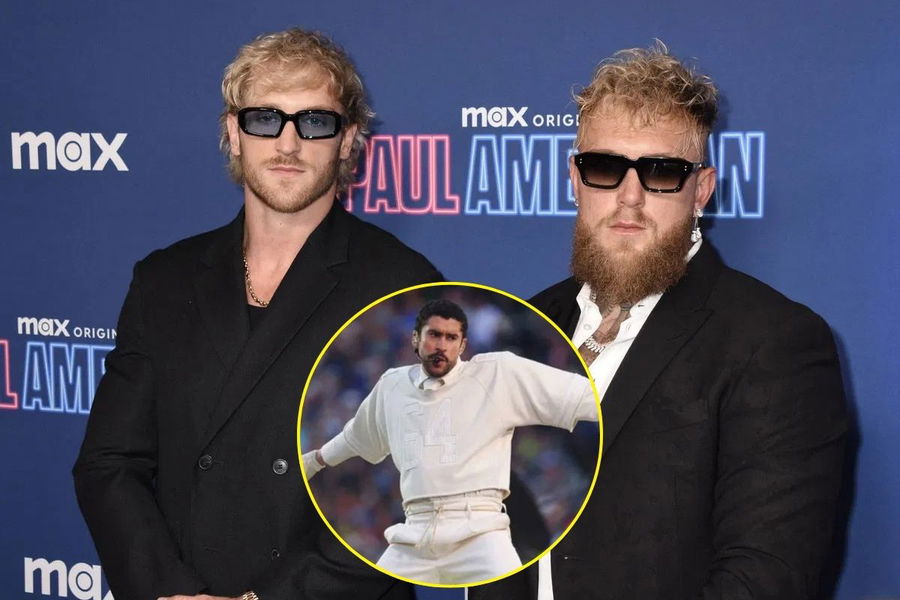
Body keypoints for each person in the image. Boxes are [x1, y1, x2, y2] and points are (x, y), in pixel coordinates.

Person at [72, 28, 441, 600]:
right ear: (233, 132)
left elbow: (407, 494)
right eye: (265, 119)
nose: (288, 143)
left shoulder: (402, 285)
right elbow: (110, 462)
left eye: (315, 122)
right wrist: (166, 590)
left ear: (347, 140)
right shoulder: (164, 279)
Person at [472, 43, 847, 599]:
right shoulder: (525, 326)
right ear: (574, 178)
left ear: (701, 190)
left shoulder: (774, 342)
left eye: (662, 172)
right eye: (604, 167)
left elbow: (766, 578)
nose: (630, 197)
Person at [302, 299, 598, 585]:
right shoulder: (392, 385)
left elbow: (585, 397)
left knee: (515, 592)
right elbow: (356, 437)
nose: (441, 345)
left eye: (451, 337)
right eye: (434, 335)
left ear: (463, 345)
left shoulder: (495, 373)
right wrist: (316, 460)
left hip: (480, 530)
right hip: (414, 533)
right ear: (415, 339)